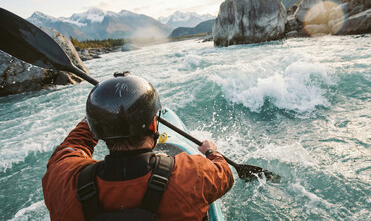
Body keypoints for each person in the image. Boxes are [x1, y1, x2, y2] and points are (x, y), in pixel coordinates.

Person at [42, 72, 234, 220]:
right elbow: (224, 173)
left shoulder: (63, 185)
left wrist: (102, 113)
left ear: (98, 129)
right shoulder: (191, 174)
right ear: (153, 125)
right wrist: (211, 151)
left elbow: (71, 147)